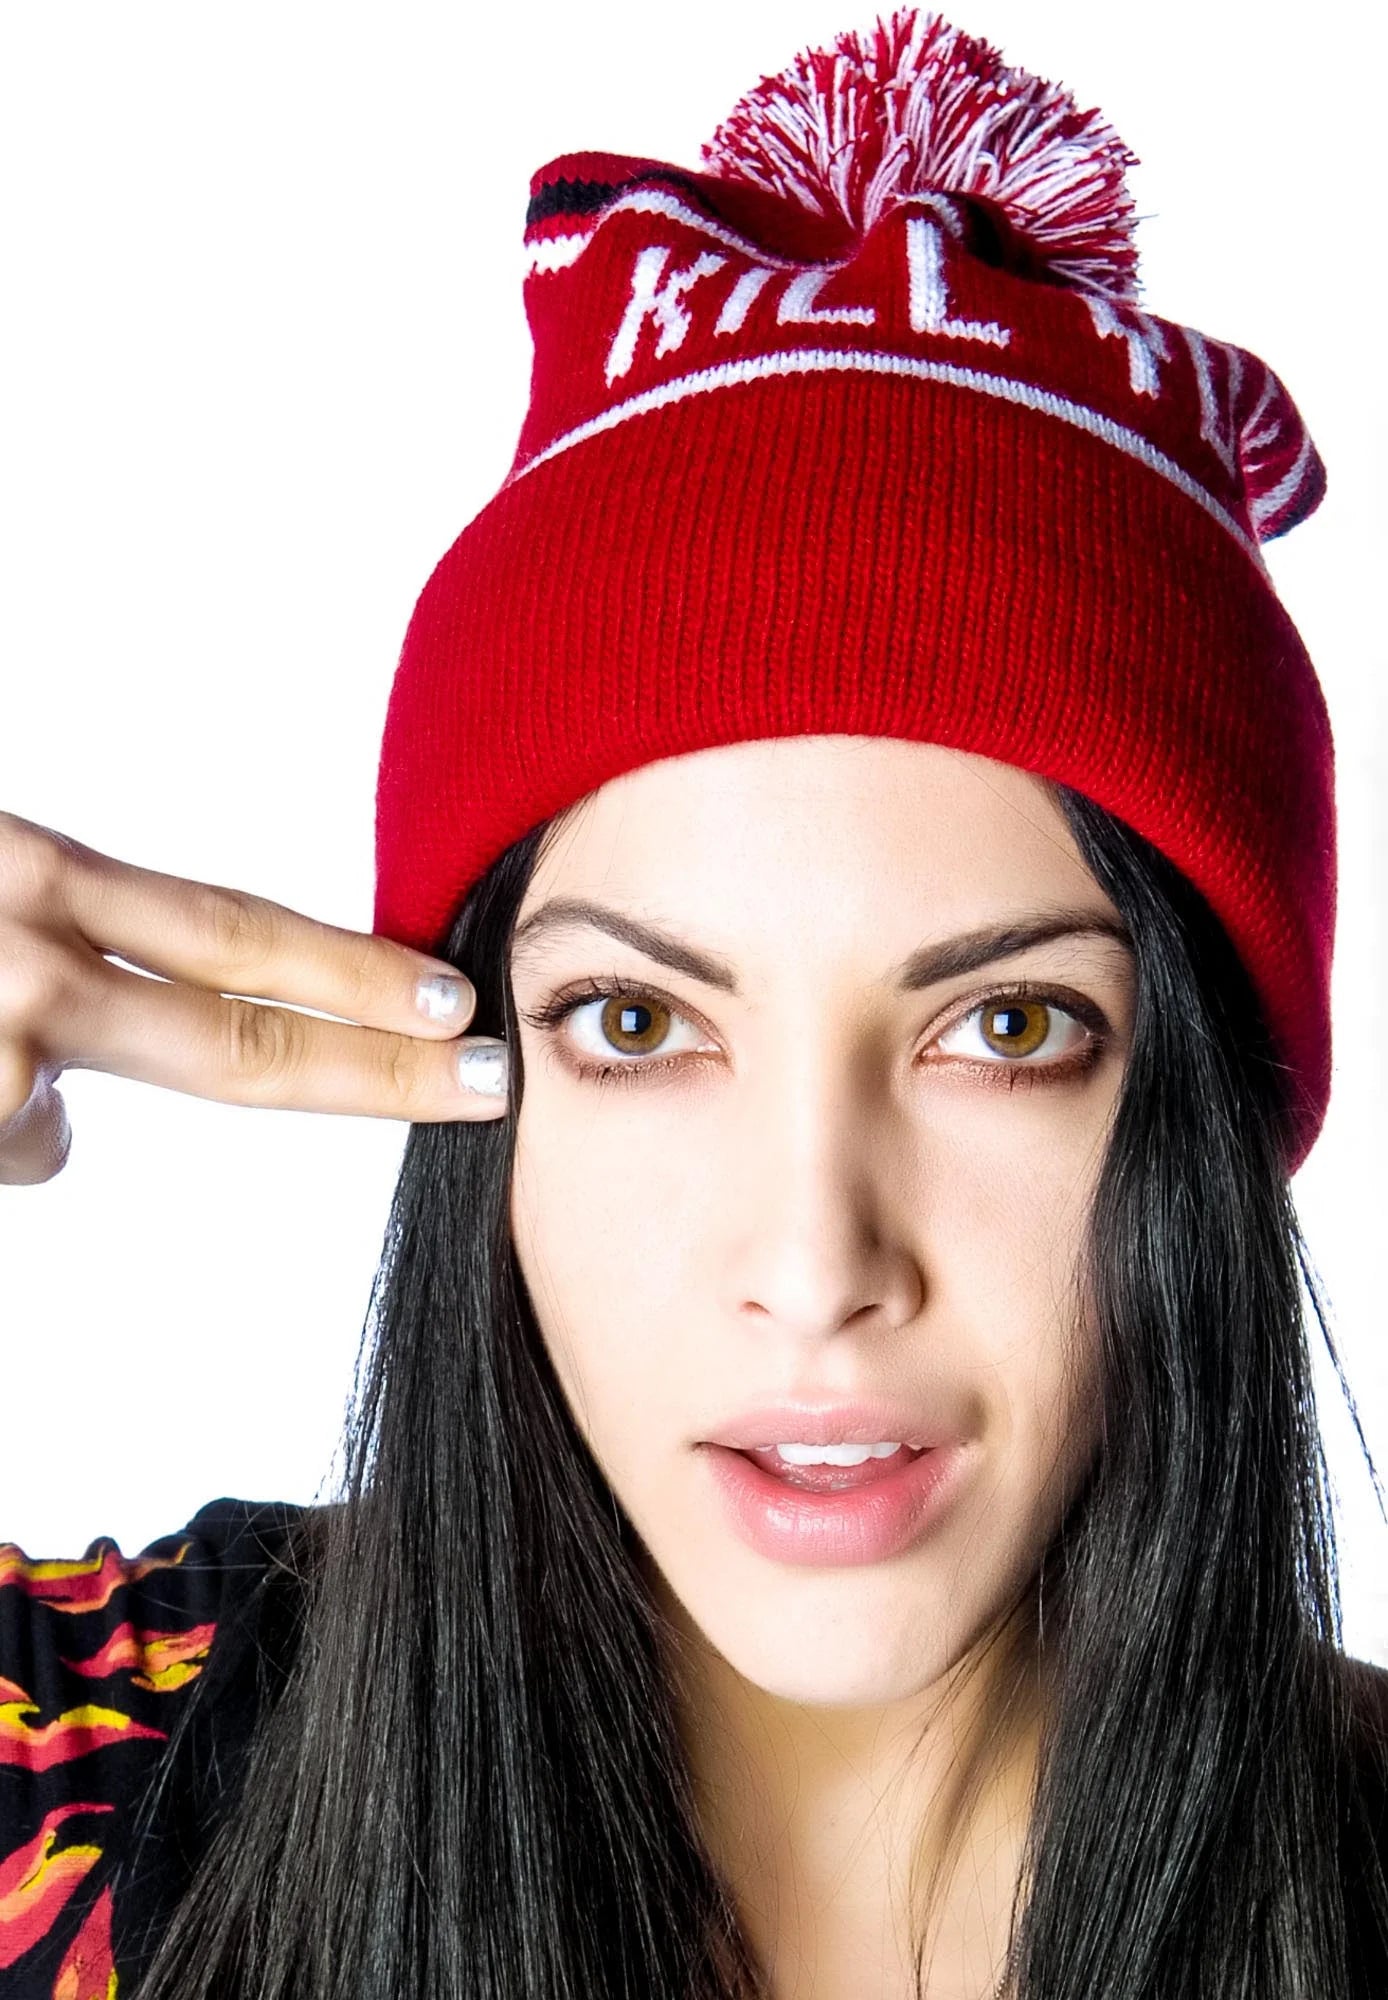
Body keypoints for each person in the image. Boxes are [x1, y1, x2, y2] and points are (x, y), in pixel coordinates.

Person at [2, 8, 1385, 1997]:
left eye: (1006, 1029)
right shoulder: (96, 1778)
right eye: (639, 1025)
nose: (814, 1269)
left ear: (1209, 1099)